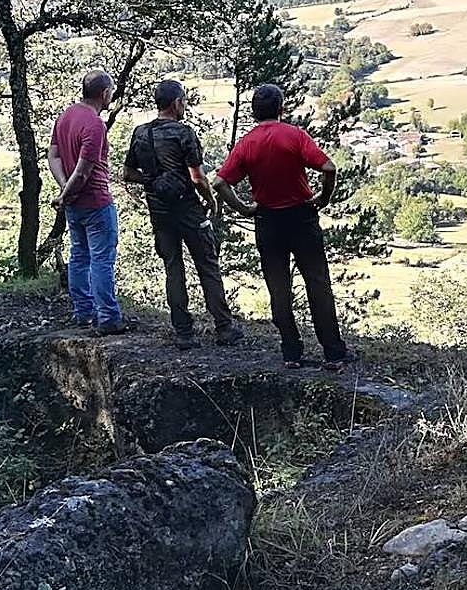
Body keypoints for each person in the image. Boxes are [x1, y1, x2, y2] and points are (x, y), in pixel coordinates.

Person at [213, 84, 355, 371]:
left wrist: (243, 208)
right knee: (318, 284)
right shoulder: (294, 135)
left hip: (268, 221)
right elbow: (328, 168)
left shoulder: (246, 143)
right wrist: (323, 199)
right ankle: (333, 352)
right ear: (281, 108)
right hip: (302, 218)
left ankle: (291, 351)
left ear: (254, 111)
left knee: (278, 289)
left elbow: (219, 183)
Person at [123, 80, 244, 348]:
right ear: (177, 102)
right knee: (207, 265)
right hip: (188, 209)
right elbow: (198, 177)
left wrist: (154, 183)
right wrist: (210, 200)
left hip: (159, 210)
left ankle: (183, 333)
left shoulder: (140, 133)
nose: (185, 105)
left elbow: (127, 173)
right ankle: (224, 328)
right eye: (184, 101)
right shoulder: (183, 133)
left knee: (173, 267)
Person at [48, 70, 134, 336]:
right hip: (96, 201)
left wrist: (64, 191)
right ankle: (108, 317)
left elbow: (53, 156)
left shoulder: (65, 116)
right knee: (101, 260)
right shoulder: (95, 124)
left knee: (79, 256)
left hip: (74, 204)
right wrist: (66, 192)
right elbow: (84, 171)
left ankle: (84, 313)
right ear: (105, 94)